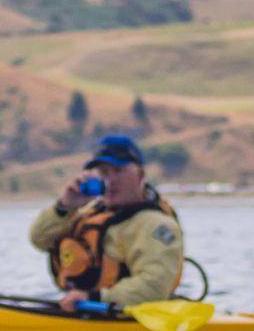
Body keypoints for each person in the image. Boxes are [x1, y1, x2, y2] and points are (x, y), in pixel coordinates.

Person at [28, 134, 184, 313]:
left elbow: (154, 286)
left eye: (118, 171)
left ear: (140, 174)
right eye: (103, 172)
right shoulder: (89, 213)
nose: (110, 181)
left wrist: (96, 298)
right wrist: (64, 206)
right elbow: (39, 239)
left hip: (124, 316)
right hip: (83, 310)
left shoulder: (157, 225)